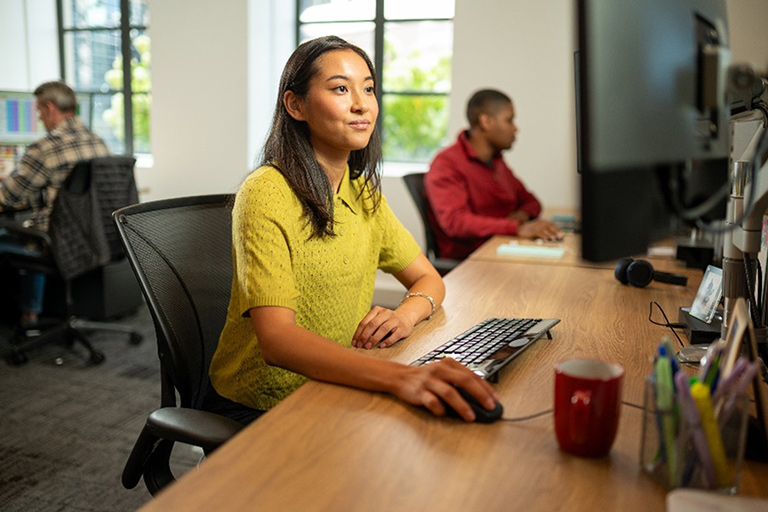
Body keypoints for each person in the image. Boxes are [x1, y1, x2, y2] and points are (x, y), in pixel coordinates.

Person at [204, 36, 498, 426]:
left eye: (369, 89)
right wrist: (402, 377)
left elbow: (428, 278)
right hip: (266, 403)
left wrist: (406, 316)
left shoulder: (362, 193)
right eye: (341, 88)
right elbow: (277, 341)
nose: (362, 104)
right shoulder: (266, 191)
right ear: (296, 105)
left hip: (338, 382)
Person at [0, 81, 110, 326]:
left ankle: (27, 314)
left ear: (50, 108)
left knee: (23, 233)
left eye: (39, 111)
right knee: (39, 226)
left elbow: (9, 197)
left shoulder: (45, 148)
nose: (39, 118)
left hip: (57, 242)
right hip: (93, 237)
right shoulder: (98, 143)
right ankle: (30, 312)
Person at [424, 89, 562, 260]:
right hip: (471, 262)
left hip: (503, 247)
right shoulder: (447, 163)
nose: (515, 128)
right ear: (486, 121)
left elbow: (531, 201)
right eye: (509, 120)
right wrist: (516, 228)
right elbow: (455, 222)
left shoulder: (495, 161)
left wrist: (521, 216)